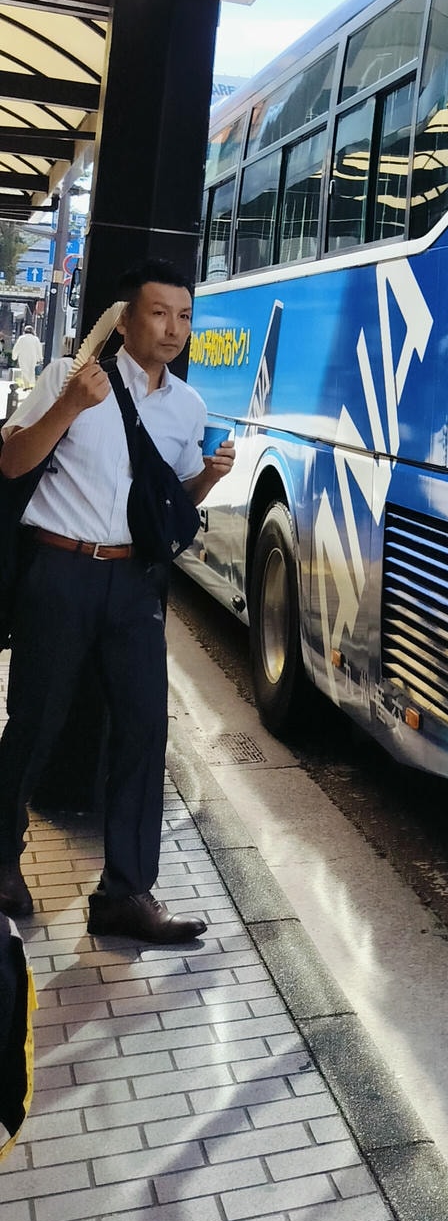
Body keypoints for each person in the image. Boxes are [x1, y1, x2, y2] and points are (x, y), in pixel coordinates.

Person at [0, 261, 235, 943]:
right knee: (35, 722)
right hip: (61, 568)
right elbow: (11, 463)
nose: (174, 329)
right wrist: (72, 404)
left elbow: (168, 508)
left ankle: (127, 893)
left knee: (143, 729)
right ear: (126, 319)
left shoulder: (188, 407)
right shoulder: (70, 379)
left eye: (184, 317)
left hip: (133, 584)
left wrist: (207, 482)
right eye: (159, 314)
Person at [9, 327, 41, 400]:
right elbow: (39, 349)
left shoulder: (21, 338)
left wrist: (14, 356)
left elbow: (16, 348)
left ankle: (26, 386)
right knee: (31, 370)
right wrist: (40, 358)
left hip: (23, 357)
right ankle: (32, 385)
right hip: (33, 357)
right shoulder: (35, 339)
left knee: (24, 371)